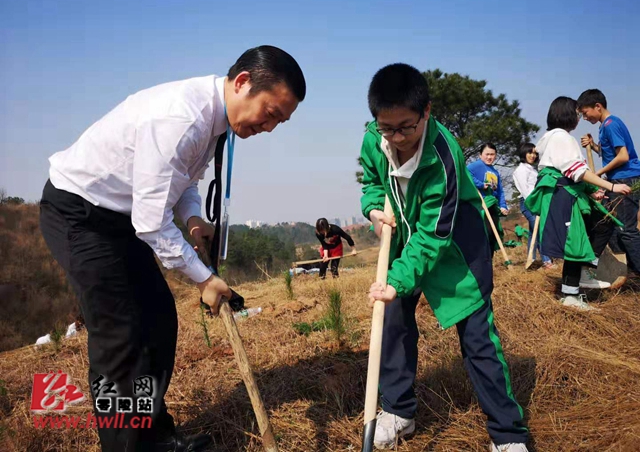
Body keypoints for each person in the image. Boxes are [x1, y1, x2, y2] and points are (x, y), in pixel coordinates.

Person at [39, 46, 306, 452]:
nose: (269, 126)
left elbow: (183, 182)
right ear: (242, 83)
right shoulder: (182, 119)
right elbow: (150, 222)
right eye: (270, 113)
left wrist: (194, 218)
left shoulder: (214, 121)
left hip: (121, 218)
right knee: (121, 336)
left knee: (158, 319)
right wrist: (205, 280)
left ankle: (154, 435)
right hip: (81, 215)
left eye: (280, 121)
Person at [360, 63, 528, 451]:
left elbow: (434, 235)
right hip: (404, 236)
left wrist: (397, 280)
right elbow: (371, 182)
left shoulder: (443, 157)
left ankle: (507, 434)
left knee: (477, 336)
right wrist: (373, 210)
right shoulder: (373, 138)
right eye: (388, 128)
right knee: (394, 324)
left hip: (454, 244)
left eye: (406, 126)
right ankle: (399, 412)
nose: (397, 137)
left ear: (426, 112)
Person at [526, 97, 630, 311]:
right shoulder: (562, 138)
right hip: (564, 195)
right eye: (575, 112)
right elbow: (577, 171)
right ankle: (585, 274)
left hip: (561, 194)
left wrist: (592, 191)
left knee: (584, 237)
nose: (578, 117)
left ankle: (572, 293)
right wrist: (611, 187)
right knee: (592, 231)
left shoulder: (549, 138)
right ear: (566, 114)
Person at [577, 89, 640, 274]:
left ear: (598, 106)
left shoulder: (611, 124)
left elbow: (622, 156)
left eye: (585, 113)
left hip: (625, 178)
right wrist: (594, 146)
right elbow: (610, 154)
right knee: (612, 225)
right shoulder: (604, 126)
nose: (585, 117)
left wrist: (597, 175)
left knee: (627, 230)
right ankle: (627, 270)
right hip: (618, 178)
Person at [512, 143, 554, 269]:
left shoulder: (533, 169)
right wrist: (534, 204)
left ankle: (532, 259)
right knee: (541, 229)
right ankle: (546, 260)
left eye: (535, 153)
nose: (533, 156)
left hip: (536, 202)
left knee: (533, 232)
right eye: (530, 152)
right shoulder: (521, 170)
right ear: (524, 153)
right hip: (529, 203)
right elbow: (525, 190)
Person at [467, 143, 509, 253]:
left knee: (493, 236)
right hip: (481, 205)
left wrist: (503, 206)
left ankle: (489, 262)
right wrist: (480, 184)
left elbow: (500, 191)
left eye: (492, 154)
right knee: (486, 233)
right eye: (487, 154)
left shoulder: (495, 172)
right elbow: (466, 173)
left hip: (492, 206)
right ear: (480, 155)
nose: (490, 157)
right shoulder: (476, 166)